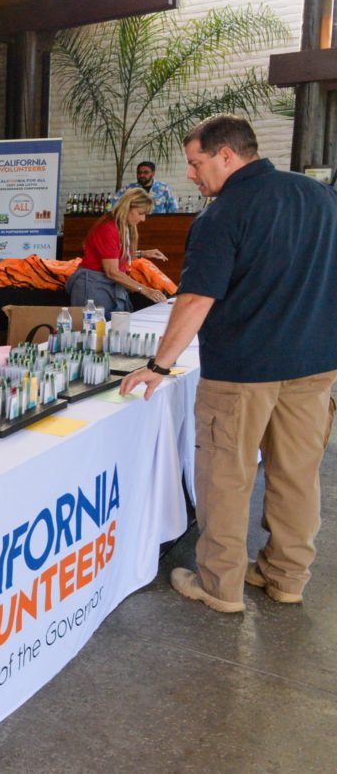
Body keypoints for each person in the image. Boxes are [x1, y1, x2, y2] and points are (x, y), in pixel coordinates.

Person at [121, 114, 337, 613]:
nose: (191, 175)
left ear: (226, 155)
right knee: (297, 476)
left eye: (196, 163)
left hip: (242, 372)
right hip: (314, 366)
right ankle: (286, 577)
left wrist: (158, 366)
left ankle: (220, 586)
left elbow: (196, 299)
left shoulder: (222, 215)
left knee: (225, 479)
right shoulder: (321, 198)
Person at [66, 187, 168, 317]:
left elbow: (114, 255)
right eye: (141, 213)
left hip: (106, 284)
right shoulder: (109, 228)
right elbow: (112, 271)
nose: (143, 219)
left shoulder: (121, 225)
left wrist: (142, 253)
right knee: (96, 327)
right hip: (94, 285)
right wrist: (145, 290)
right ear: (128, 207)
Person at [113, 160, 178, 214]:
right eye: (139, 172)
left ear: (153, 174)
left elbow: (173, 210)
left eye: (146, 172)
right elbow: (113, 205)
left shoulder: (164, 188)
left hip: (159, 223)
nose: (142, 175)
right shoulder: (129, 189)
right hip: (135, 224)